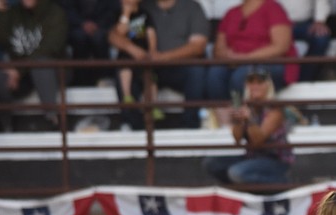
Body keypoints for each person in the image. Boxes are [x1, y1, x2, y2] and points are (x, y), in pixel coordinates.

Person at [204, 68, 294, 187]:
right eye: (251, 82)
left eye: (260, 82)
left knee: (236, 173)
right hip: (252, 157)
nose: (255, 86)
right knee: (212, 163)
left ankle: (282, 184)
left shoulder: (275, 109)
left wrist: (249, 119)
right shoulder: (246, 106)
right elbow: (237, 138)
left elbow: (258, 140)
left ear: (268, 85)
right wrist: (239, 120)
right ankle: (242, 187)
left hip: (274, 159)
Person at [0, 0, 69, 132]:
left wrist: (19, 70)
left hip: (53, 72)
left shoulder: (55, 13)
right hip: (22, 74)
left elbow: (49, 49)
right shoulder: (13, 13)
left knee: (41, 65)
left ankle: (52, 120)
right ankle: (6, 126)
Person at [207, 0, 297, 106]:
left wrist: (245, 58)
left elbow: (281, 46)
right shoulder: (231, 12)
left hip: (268, 62)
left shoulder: (273, 8)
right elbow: (218, 48)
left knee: (241, 76)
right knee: (214, 75)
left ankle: (241, 115)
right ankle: (224, 120)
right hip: (233, 62)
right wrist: (228, 56)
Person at [142, 0, 210, 130]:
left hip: (181, 67)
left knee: (196, 71)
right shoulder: (144, 8)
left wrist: (162, 57)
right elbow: (133, 35)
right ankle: (137, 127)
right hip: (150, 67)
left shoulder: (192, 7)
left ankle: (190, 128)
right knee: (125, 69)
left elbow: (197, 47)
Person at [107, 0, 156, 129]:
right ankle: (129, 122)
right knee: (124, 74)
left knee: (149, 79)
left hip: (143, 58)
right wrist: (126, 13)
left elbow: (149, 35)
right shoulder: (115, 14)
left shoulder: (144, 15)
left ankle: (149, 117)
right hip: (126, 59)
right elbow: (118, 33)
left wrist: (151, 53)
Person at [59, 0, 121, 85]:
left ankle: (105, 78)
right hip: (76, 27)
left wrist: (98, 25)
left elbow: (113, 12)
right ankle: (80, 81)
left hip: (103, 27)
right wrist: (82, 23)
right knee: (79, 37)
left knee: (99, 38)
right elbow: (66, 9)